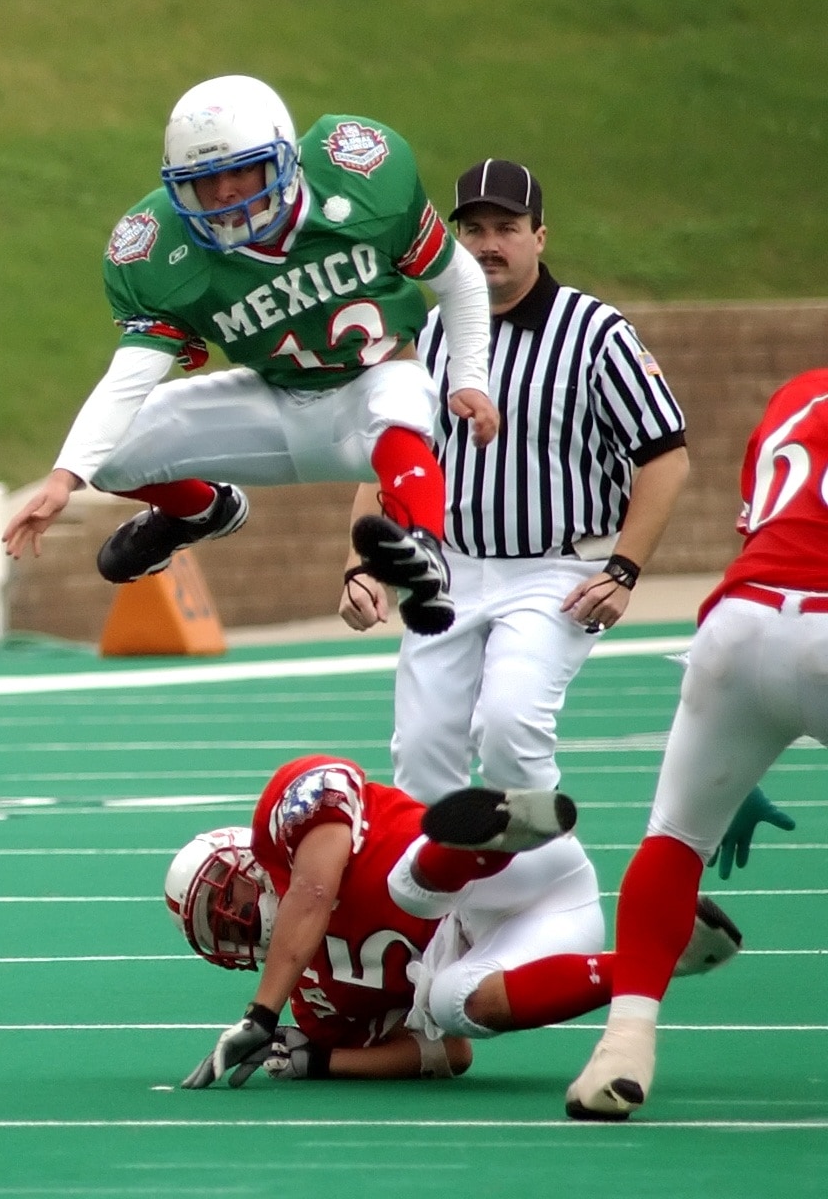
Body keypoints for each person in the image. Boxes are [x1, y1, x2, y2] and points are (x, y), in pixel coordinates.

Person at [3, 74, 498, 635]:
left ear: (284, 158)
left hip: (371, 387)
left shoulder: (357, 183)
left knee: (403, 405)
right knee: (108, 454)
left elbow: (458, 277)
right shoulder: (160, 250)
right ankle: (201, 511)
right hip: (274, 403)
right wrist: (66, 476)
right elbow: (130, 376)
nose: (224, 193)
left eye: (240, 169)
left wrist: (469, 378)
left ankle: (422, 555)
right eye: (205, 179)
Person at [341, 160, 691, 805]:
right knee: (420, 757)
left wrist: (623, 569)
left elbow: (665, 456)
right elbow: (392, 454)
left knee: (508, 727)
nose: (489, 244)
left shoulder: (595, 333)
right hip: (445, 567)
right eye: (473, 229)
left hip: (554, 572)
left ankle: (553, 892)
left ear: (540, 236)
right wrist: (363, 567)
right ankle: (449, 908)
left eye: (507, 226)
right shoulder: (432, 329)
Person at [567, 370, 828, 1120]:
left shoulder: (796, 393)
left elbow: (767, 537)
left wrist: (739, 761)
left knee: (675, 839)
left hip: (738, 631)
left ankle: (622, 1049)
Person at [170, 756, 740, 1087]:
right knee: (451, 1004)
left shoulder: (284, 817)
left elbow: (315, 891)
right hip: (540, 933)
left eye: (232, 896)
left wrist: (260, 1014)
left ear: (244, 856)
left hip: (513, 871)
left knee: (408, 889)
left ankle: (496, 830)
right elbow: (447, 1055)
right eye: (219, 926)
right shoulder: (315, 1001)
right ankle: (658, 958)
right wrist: (322, 1060)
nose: (237, 917)